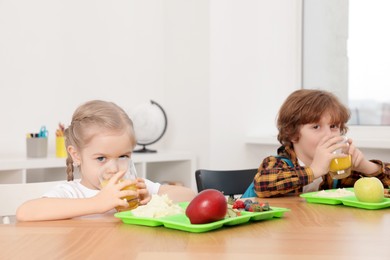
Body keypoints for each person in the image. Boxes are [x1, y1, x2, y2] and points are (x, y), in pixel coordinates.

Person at [16, 100, 195, 221]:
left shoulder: (133, 189)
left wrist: (153, 199)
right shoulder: (72, 193)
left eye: (123, 156)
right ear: (76, 155)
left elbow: (190, 196)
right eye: (101, 158)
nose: (114, 168)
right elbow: (25, 212)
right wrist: (97, 203)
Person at [253, 89, 390, 198]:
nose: (328, 135)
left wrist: (366, 167)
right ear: (293, 134)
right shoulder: (278, 164)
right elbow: (262, 184)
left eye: (334, 126)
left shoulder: (337, 170)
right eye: (316, 127)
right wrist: (314, 170)